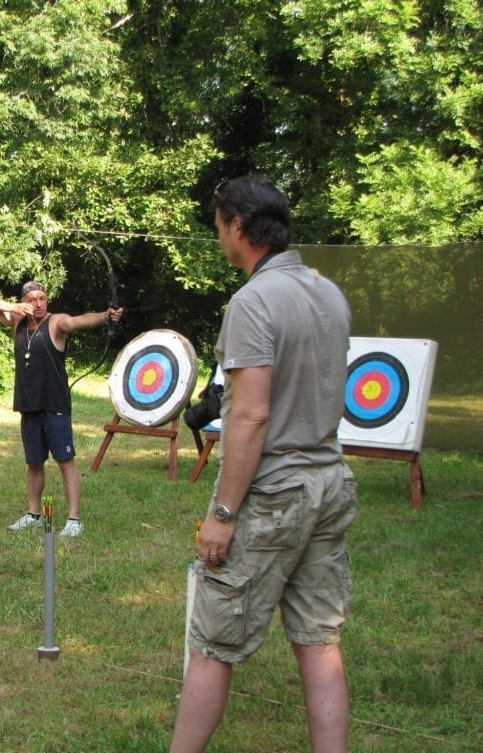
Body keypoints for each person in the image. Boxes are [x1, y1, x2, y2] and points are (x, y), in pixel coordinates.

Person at [170, 176, 357, 753]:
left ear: (241, 228)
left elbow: (247, 418)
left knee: (211, 643)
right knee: (319, 641)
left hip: (273, 494)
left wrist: (223, 514)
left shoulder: (253, 301)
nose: (220, 236)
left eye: (220, 225)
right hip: (329, 484)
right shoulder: (327, 292)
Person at [0, 281, 123, 537]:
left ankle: (74, 519)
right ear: (24, 301)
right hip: (29, 405)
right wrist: (14, 307)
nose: (38, 304)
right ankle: (33, 514)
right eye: (32, 299)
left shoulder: (56, 322)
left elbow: (80, 321)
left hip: (54, 405)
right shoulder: (17, 322)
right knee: (34, 462)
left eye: (42, 298)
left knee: (65, 462)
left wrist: (106, 316)